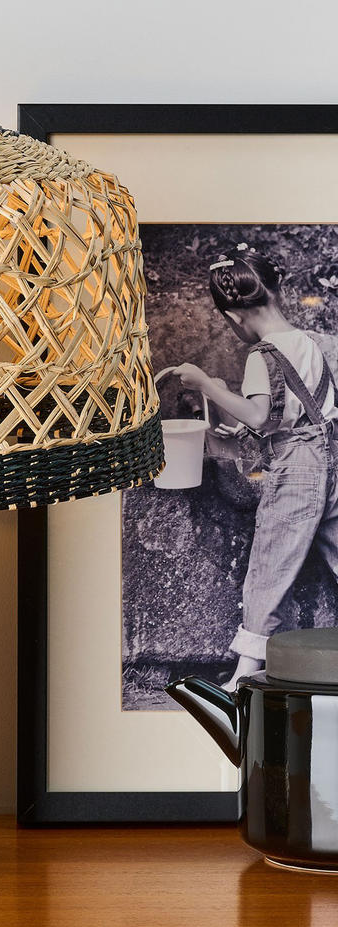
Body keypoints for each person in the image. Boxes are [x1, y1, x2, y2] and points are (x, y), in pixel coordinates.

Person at [173, 245, 338, 690]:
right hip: (331, 459)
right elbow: (305, 409)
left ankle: (245, 672)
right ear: (276, 291)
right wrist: (246, 426)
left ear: (233, 316)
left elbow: (262, 415)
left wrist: (206, 385)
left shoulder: (260, 356)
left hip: (297, 469)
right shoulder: (312, 342)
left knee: (270, 561)